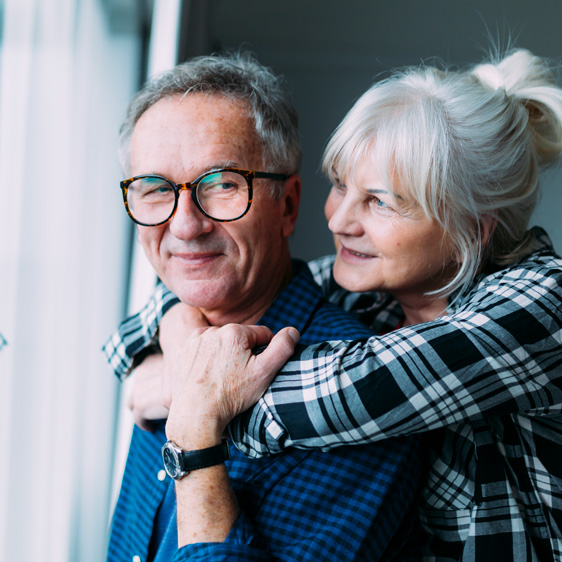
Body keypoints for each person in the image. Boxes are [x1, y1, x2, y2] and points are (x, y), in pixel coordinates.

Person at [105, 48, 562, 561]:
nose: (338, 220)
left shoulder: (544, 304)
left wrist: (192, 399)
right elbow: (164, 307)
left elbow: (361, 389)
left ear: (470, 231)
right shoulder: (369, 298)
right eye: (342, 185)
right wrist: (180, 329)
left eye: (381, 201)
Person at [106, 52, 421, 562]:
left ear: (289, 206)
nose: (185, 225)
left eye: (222, 185)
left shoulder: (361, 399)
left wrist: (194, 436)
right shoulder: (171, 347)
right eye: (155, 189)